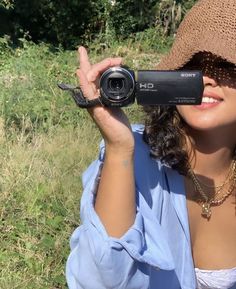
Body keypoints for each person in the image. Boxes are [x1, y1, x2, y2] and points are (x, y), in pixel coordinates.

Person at [66, 0, 236, 288]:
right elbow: (98, 280)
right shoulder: (136, 159)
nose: (206, 79)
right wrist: (119, 147)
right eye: (192, 65)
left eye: (226, 66)